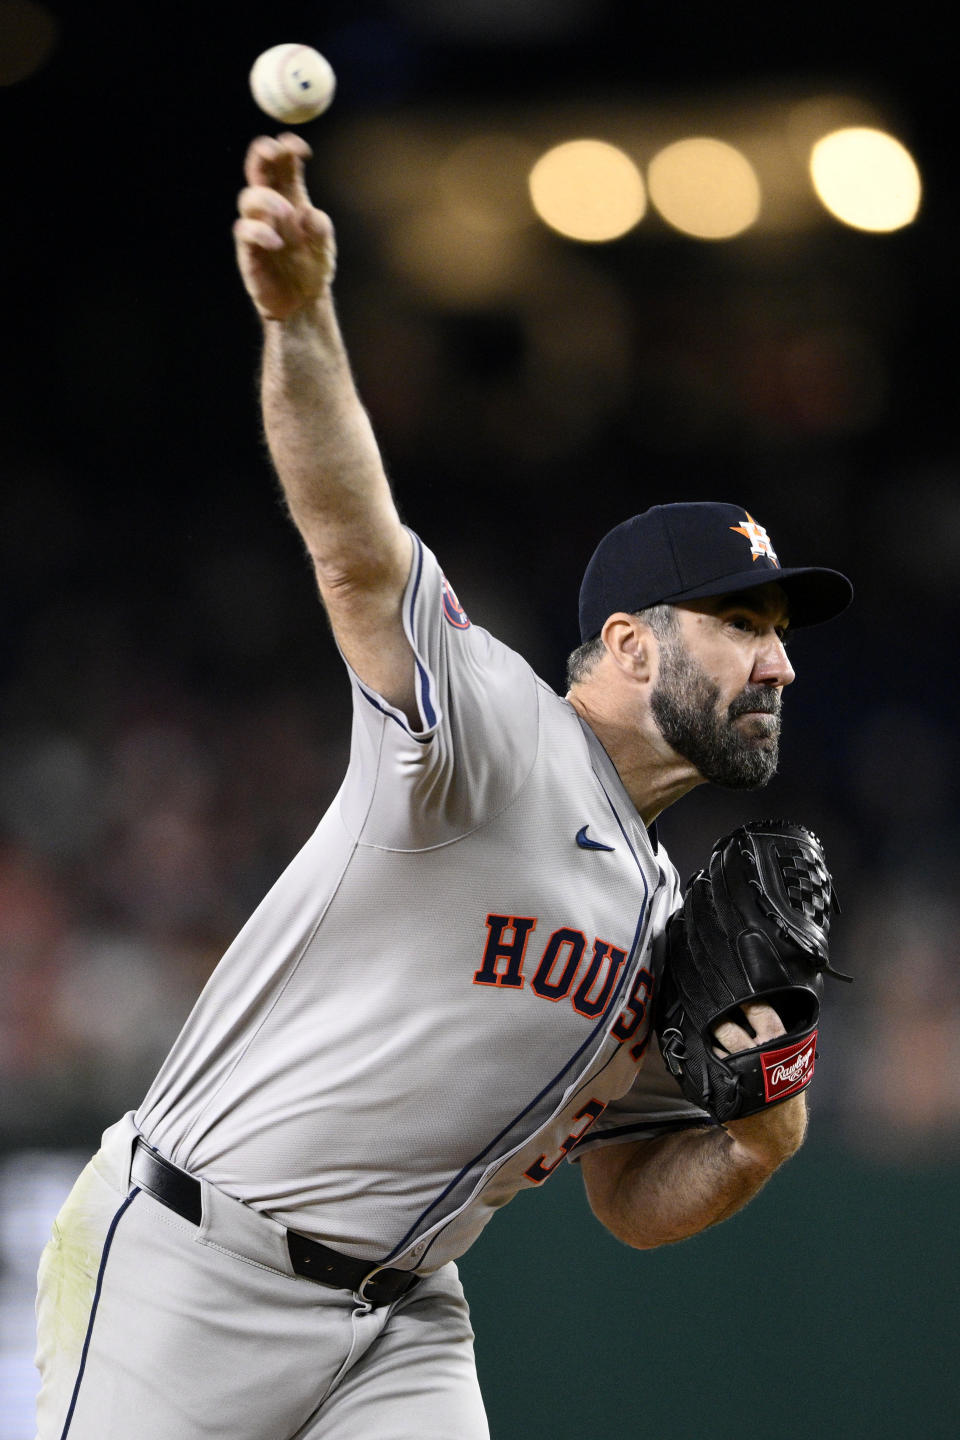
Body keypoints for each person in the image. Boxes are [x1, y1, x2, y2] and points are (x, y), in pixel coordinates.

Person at [34, 134, 853, 1440]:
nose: (779, 664)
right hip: (196, 1264)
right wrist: (302, 321)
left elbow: (631, 1201)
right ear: (632, 644)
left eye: (784, 637)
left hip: (405, 1316)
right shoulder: (493, 728)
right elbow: (356, 547)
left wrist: (763, 1136)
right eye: (744, 625)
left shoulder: (664, 923)